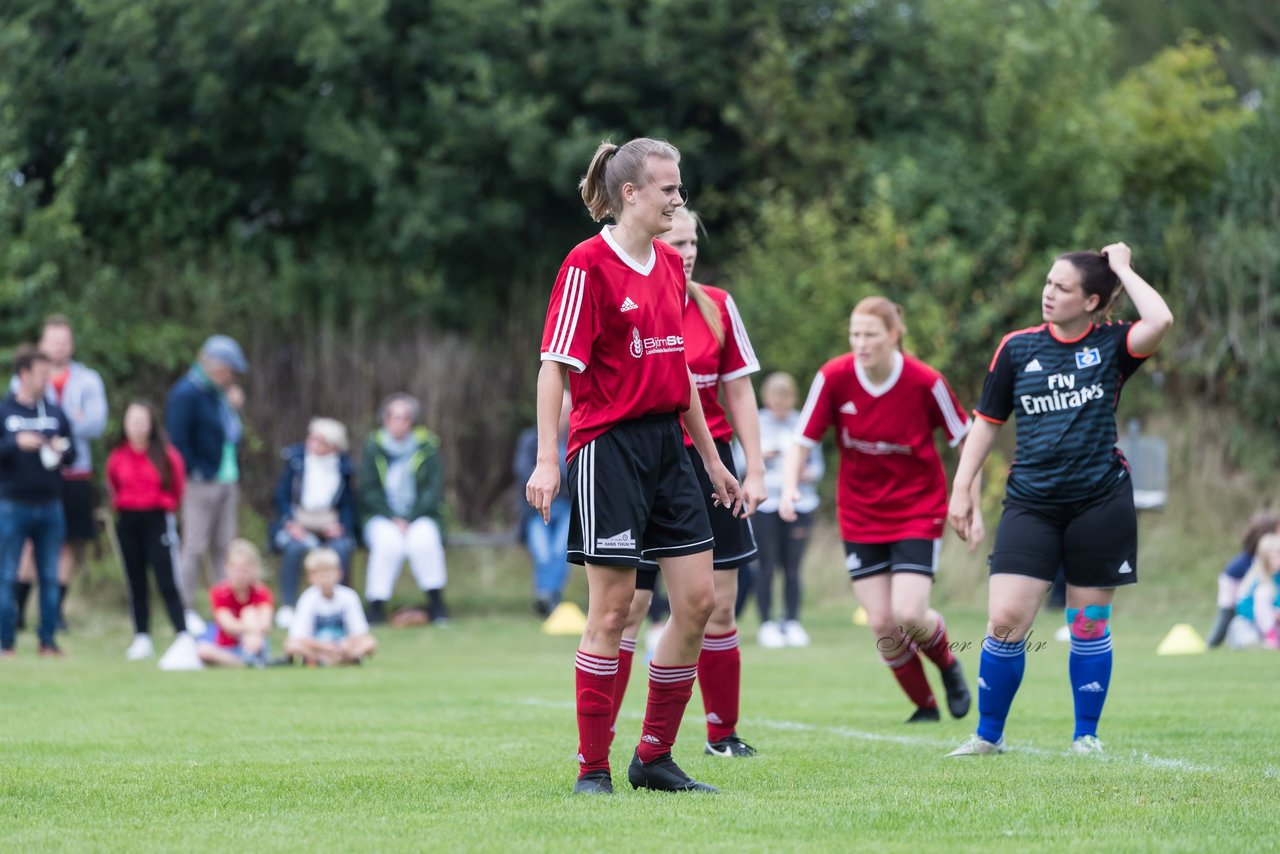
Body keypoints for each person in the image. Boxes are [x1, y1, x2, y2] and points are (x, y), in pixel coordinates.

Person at [526, 138, 742, 795]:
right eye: (668, 189)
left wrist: (711, 459)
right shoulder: (587, 264)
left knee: (700, 601)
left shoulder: (671, 268)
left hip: (671, 448)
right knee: (615, 609)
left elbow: (677, 371)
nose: (678, 199)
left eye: (679, 188)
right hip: (608, 447)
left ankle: (653, 757)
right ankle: (593, 768)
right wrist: (545, 459)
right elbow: (553, 367)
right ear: (631, 194)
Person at [945, 242, 1174, 757]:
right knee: (1004, 620)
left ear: (1091, 301)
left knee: (1087, 623)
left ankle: (1085, 736)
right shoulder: (1018, 348)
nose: (1048, 293)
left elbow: (1160, 319)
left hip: (1100, 501)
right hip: (1032, 503)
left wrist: (1123, 269)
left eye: (1062, 287)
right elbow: (985, 425)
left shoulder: (1115, 343)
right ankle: (988, 736)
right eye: (1048, 283)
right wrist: (962, 488)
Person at [612, 205, 766, 760]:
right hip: (642, 461)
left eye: (693, 244)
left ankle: (721, 735)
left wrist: (756, 466)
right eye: (677, 243)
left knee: (718, 606)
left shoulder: (719, 306)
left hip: (711, 463)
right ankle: (603, 740)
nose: (687, 252)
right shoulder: (628, 294)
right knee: (628, 606)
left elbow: (740, 391)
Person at [780, 297, 977, 724]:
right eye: (855, 334)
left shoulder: (926, 382)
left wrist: (969, 499)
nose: (861, 343)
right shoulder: (834, 376)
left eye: (870, 334)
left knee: (909, 613)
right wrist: (789, 486)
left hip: (917, 509)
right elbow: (802, 440)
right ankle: (925, 707)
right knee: (883, 624)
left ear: (893, 335)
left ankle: (948, 667)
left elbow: (967, 438)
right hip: (860, 514)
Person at [11, 315, 108, 632]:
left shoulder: (88, 380)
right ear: (42, 343)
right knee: (28, 545)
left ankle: (55, 613)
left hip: (74, 473)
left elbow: (94, 422)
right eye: (53, 341)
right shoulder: (23, 377)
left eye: (64, 342)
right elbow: (19, 415)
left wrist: (58, 424)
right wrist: (61, 423)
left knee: (67, 544)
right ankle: (19, 609)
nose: (58, 347)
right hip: (31, 478)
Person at [166, 334, 248, 634]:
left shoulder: (218, 394)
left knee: (225, 547)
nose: (231, 376)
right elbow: (177, 441)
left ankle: (226, 610)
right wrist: (196, 470)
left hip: (226, 478)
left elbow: (228, 433)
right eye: (228, 369)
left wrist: (233, 406)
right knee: (194, 546)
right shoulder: (186, 393)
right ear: (212, 363)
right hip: (200, 482)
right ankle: (184, 609)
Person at [0, 348, 74, 656]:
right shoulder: (5, 411)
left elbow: (72, 455)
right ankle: (6, 642)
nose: (47, 378)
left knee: (49, 576)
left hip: (50, 505)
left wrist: (59, 450)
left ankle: (48, 641)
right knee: (7, 575)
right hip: (13, 506)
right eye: (42, 373)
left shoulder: (54, 412)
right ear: (24, 374)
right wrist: (14, 443)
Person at [105, 401, 190, 660]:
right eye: (132, 421)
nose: (137, 427)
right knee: (135, 580)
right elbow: (113, 487)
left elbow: (177, 488)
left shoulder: (166, 455)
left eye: (142, 420)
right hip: (128, 520)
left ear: (151, 424)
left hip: (157, 519)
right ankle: (142, 636)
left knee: (166, 578)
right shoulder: (117, 456)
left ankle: (182, 634)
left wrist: (166, 508)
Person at [358, 393, 449, 625]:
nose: (399, 423)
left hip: (420, 514)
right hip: (382, 515)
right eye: (394, 417)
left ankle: (436, 603)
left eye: (404, 418)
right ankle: (377, 605)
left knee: (424, 541)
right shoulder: (373, 447)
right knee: (388, 545)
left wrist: (409, 517)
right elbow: (368, 490)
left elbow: (433, 489)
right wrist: (392, 517)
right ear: (385, 420)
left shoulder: (427, 446)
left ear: (411, 421)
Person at [754, 371, 823, 648]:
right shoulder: (756, 422)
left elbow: (818, 467)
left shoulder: (802, 423)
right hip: (766, 504)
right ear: (766, 397)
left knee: (793, 567)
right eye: (775, 396)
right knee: (766, 565)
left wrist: (805, 473)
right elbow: (738, 465)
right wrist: (760, 457)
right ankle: (767, 624)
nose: (780, 402)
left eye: (785, 397)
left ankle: (792, 621)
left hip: (799, 503)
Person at [269, 417, 358, 629]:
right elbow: (281, 497)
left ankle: (339, 606)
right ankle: (288, 606)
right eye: (312, 437)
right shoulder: (297, 461)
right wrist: (290, 523)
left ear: (332, 445)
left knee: (341, 549)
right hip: (299, 521)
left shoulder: (344, 467)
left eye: (320, 440)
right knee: (293, 548)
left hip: (330, 522)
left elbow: (348, 504)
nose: (313, 443)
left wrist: (341, 526)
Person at [513, 390, 573, 617]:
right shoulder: (530, 440)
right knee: (544, 552)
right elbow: (523, 474)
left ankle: (548, 598)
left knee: (560, 550)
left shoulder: (575, 439)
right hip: (535, 509)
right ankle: (548, 598)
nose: (560, 418)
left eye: (565, 413)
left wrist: (552, 478)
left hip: (567, 507)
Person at [284, 548, 378, 665]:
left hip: (344, 647)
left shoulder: (349, 596)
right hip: (318, 647)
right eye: (319, 573)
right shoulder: (307, 598)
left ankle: (326, 661)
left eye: (328, 572)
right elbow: (299, 635)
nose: (324, 577)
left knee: (369, 642)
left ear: (339, 573)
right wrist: (323, 647)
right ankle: (339, 660)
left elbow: (359, 631)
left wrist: (346, 644)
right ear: (310, 577)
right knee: (291, 645)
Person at [196, 538, 273, 667]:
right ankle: (246, 662)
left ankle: (250, 657)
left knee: (249, 612)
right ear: (227, 568)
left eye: (245, 570)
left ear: (254, 569)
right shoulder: (219, 593)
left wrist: (250, 623)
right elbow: (229, 626)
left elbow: (265, 624)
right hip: (227, 648)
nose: (240, 575)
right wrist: (251, 627)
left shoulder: (261, 592)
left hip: (255, 643)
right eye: (237, 569)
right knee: (203, 650)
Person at [1206, 512, 1279, 648]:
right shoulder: (1252, 565)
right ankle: (1211, 643)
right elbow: (1244, 602)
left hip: (1267, 617)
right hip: (1232, 585)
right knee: (1228, 617)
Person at [1227, 533, 1280, 650]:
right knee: (1263, 592)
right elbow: (1243, 606)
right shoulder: (1255, 579)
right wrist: (1272, 614)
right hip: (1254, 624)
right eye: (1274, 556)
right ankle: (1269, 636)